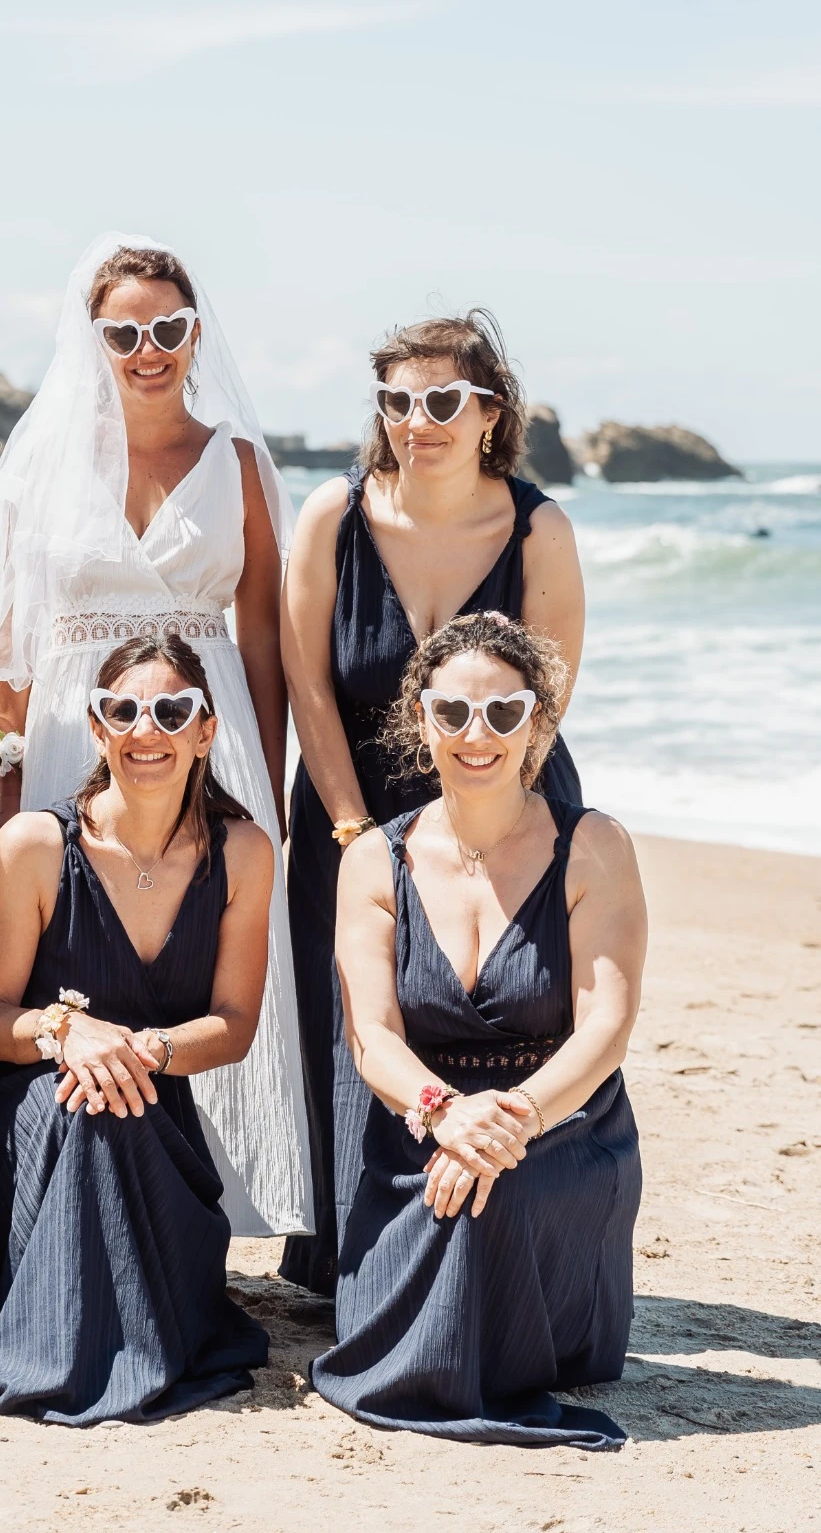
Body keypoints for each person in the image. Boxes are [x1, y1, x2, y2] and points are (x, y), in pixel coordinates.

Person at [0, 232, 311, 1237]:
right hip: (75, 723)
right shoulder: (42, 467)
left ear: (195, 331)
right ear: (95, 339)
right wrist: (7, 771)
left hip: (210, 730)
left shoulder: (238, 463)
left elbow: (264, 636)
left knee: (202, 945)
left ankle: (208, 1199)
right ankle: (69, 1172)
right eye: (124, 330)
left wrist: (274, 780)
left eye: (167, 326)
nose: (148, 346)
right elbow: (7, 644)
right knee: (66, 944)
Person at [280, 310, 585, 1292]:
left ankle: (497, 1243)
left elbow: (544, 701)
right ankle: (354, 1258)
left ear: (490, 411)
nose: (419, 418)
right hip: (349, 799)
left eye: (443, 398)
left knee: (490, 1015)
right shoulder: (333, 513)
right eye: (399, 400)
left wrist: (477, 834)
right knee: (352, 1023)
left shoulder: (539, 527)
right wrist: (350, 830)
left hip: (504, 805)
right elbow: (306, 683)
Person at [313, 610, 644, 1447]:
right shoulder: (370, 859)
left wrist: (511, 1121)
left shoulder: (592, 843)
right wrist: (444, 1113)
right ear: (419, 720)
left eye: (503, 712)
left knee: (499, 1192)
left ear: (536, 722)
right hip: (419, 1123)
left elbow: (605, 1026)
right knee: (449, 1190)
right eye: (453, 712)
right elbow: (372, 1038)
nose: (477, 734)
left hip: (561, 1122)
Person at [0, 633, 272, 1423]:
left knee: (114, 1099)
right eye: (121, 710)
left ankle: (109, 1334)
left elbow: (233, 1027)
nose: (144, 729)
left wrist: (141, 1048)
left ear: (205, 729)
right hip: (24, 1104)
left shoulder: (245, 852)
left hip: (150, 1102)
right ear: (95, 728)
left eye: (171, 710)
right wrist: (67, 1032)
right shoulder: (32, 844)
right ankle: (72, 1345)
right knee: (89, 1103)